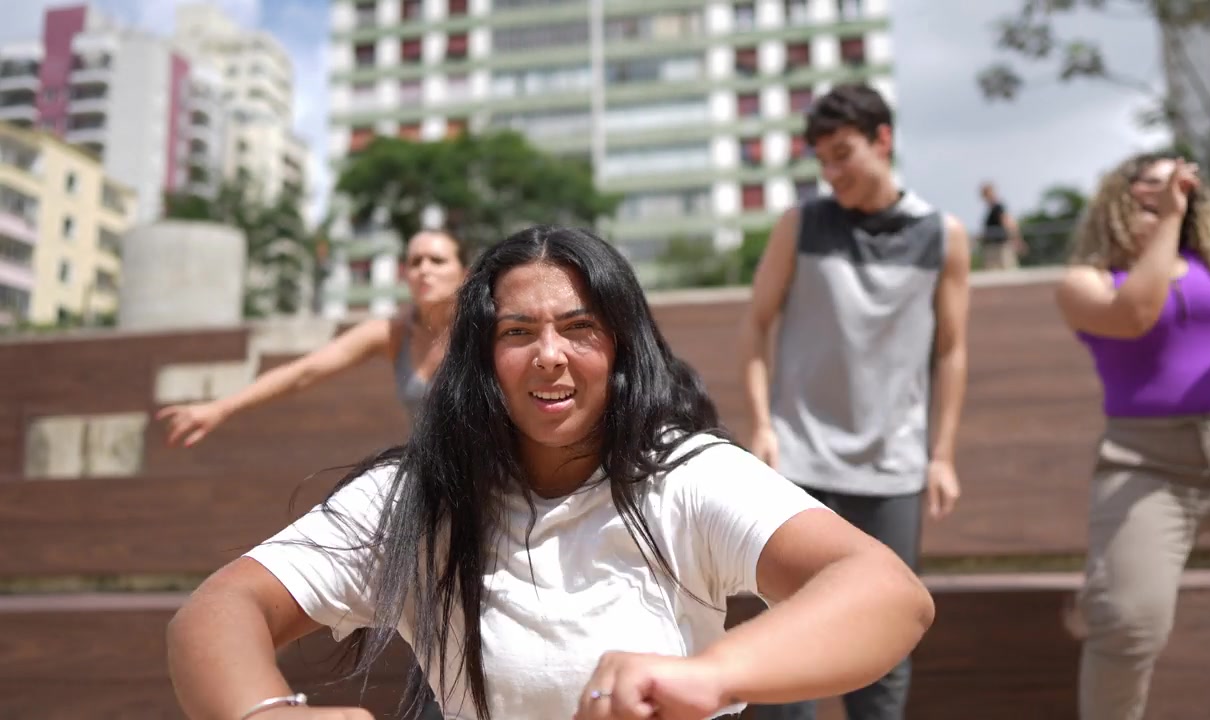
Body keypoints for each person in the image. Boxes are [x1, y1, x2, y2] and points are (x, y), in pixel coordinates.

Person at [166, 225, 936, 720]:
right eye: (517, 332)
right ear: (480, 357)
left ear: (620, 347)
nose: (550, 355)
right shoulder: (415, 497)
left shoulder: (684, 473)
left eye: (579, 328)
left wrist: (713, 674)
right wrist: (264, 714)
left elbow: (888, 593)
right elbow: (221, 606)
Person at [738, 82, 970, 720]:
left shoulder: (943, 236)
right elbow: (756, 323)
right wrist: (763, 424)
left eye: (843, 155)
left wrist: (942, 455)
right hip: (801, 465)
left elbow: (951, 350)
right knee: (792, 648)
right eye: (822, 160)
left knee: (883, 651)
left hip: (893, 469)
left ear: (883, 140)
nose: (832, 173)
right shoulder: (801, 225)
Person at [1055, 154, 1210, 719]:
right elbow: (1135, 314)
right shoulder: (1085, 281)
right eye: (1155, 186)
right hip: (1144, 465)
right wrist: (1169, 220)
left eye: (1183, 188)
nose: (1174, 194)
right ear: (1121, 195)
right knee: (1126, 621)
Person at [156, 230, 468, 445]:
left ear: (464, 273)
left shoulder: (482, 329)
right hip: (434, 477)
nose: (424, 270)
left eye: (437, 260)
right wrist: (220, 408)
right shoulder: (392, 334)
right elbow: (304, 372)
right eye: (415, 262)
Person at [979, 181, 1024, 270]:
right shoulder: (992, 209)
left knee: (1007, 270)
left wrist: (1016, 239)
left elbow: (1009, 222)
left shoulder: (999, 207)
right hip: (993, 245)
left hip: (1000, 246)